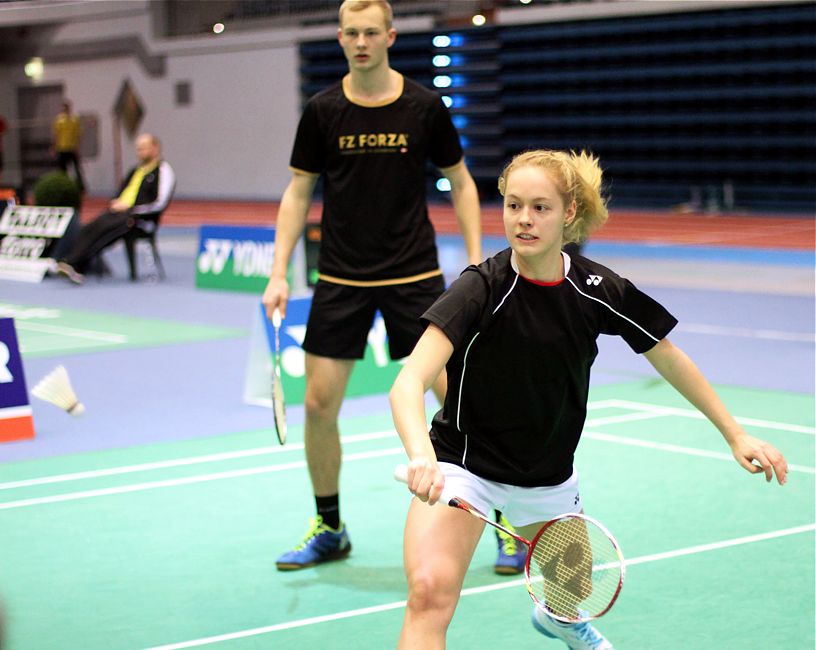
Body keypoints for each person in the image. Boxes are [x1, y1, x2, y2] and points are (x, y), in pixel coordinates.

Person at [389, 149, 788, 649]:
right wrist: (421, 455)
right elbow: (408, 381)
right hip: (464, 467)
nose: (524, 220)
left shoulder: (596, 288)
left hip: (547, 474)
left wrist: (735, 433)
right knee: (429, 594)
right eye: (514, 206)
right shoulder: (480, 288)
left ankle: (559, 618)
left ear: (569, 214)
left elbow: (667, 357)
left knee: (572, 591)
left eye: (540, 207)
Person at [262, 0, 482, 571]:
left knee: (454, 399)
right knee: (317, 403)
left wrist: (480, 262)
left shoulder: (424, 106)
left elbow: (460, 183)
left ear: (389, 36)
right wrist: (278, 270)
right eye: (351, 33)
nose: (361, 42)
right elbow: (297, 192)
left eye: (371, 33)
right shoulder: (323, 110)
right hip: (340, 276)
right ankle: (330, 525)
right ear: (340, 38)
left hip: (414, 275)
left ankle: (491, 517)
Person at [56, 133, 175, 284]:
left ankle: (76, 265)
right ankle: (68, 261)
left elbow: (160, 203)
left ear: (155, 148)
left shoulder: (163, 170)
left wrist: (132, 208)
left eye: (144, 148)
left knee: (106, 231)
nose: (140, 152)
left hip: (140, 218)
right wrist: (116, 202)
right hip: (120, 212)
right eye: (138, 149)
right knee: (91, 226)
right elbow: (122, 191)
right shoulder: (135, 170)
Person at [52, 100, 85, 193]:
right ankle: (63, 187)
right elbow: (56, 134)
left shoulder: (74, 120)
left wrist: (77, 147)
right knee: (62, 170)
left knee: (77, 169)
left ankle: (81, 187)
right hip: (61, 148)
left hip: (72, 148)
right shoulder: (59, 120)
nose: (64, 109)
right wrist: (54, 146)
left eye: (66, 107)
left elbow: (78, 134)